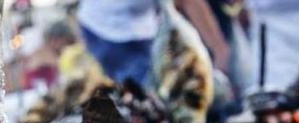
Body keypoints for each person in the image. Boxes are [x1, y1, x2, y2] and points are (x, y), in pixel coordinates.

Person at [78, 0, 231, 85]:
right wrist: (220, 50)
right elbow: (187, 2)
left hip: (141, 23)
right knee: (152, 90)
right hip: (104, 28)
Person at [23, 21, 77, 90]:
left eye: (57, 40)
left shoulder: (70, 51)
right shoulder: (42, 55)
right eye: (51, 40)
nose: (53, 43)